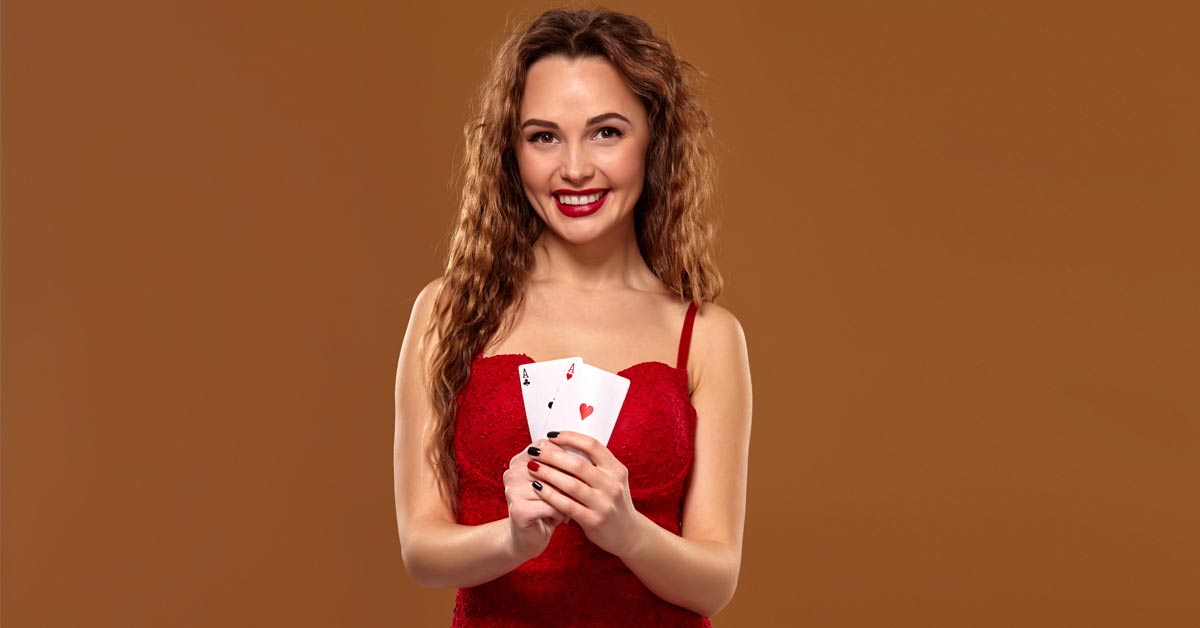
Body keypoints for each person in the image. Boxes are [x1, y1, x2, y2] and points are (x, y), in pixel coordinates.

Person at [394, 7, 752, 626]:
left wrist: (626, 530)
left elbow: (715, 581)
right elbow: (422, 549)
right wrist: (513, 538)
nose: (575, 169)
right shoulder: (445, 313)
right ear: (511, 150)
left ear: (653, 140)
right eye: (544, 136)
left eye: (606, 132)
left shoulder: (708, 336)